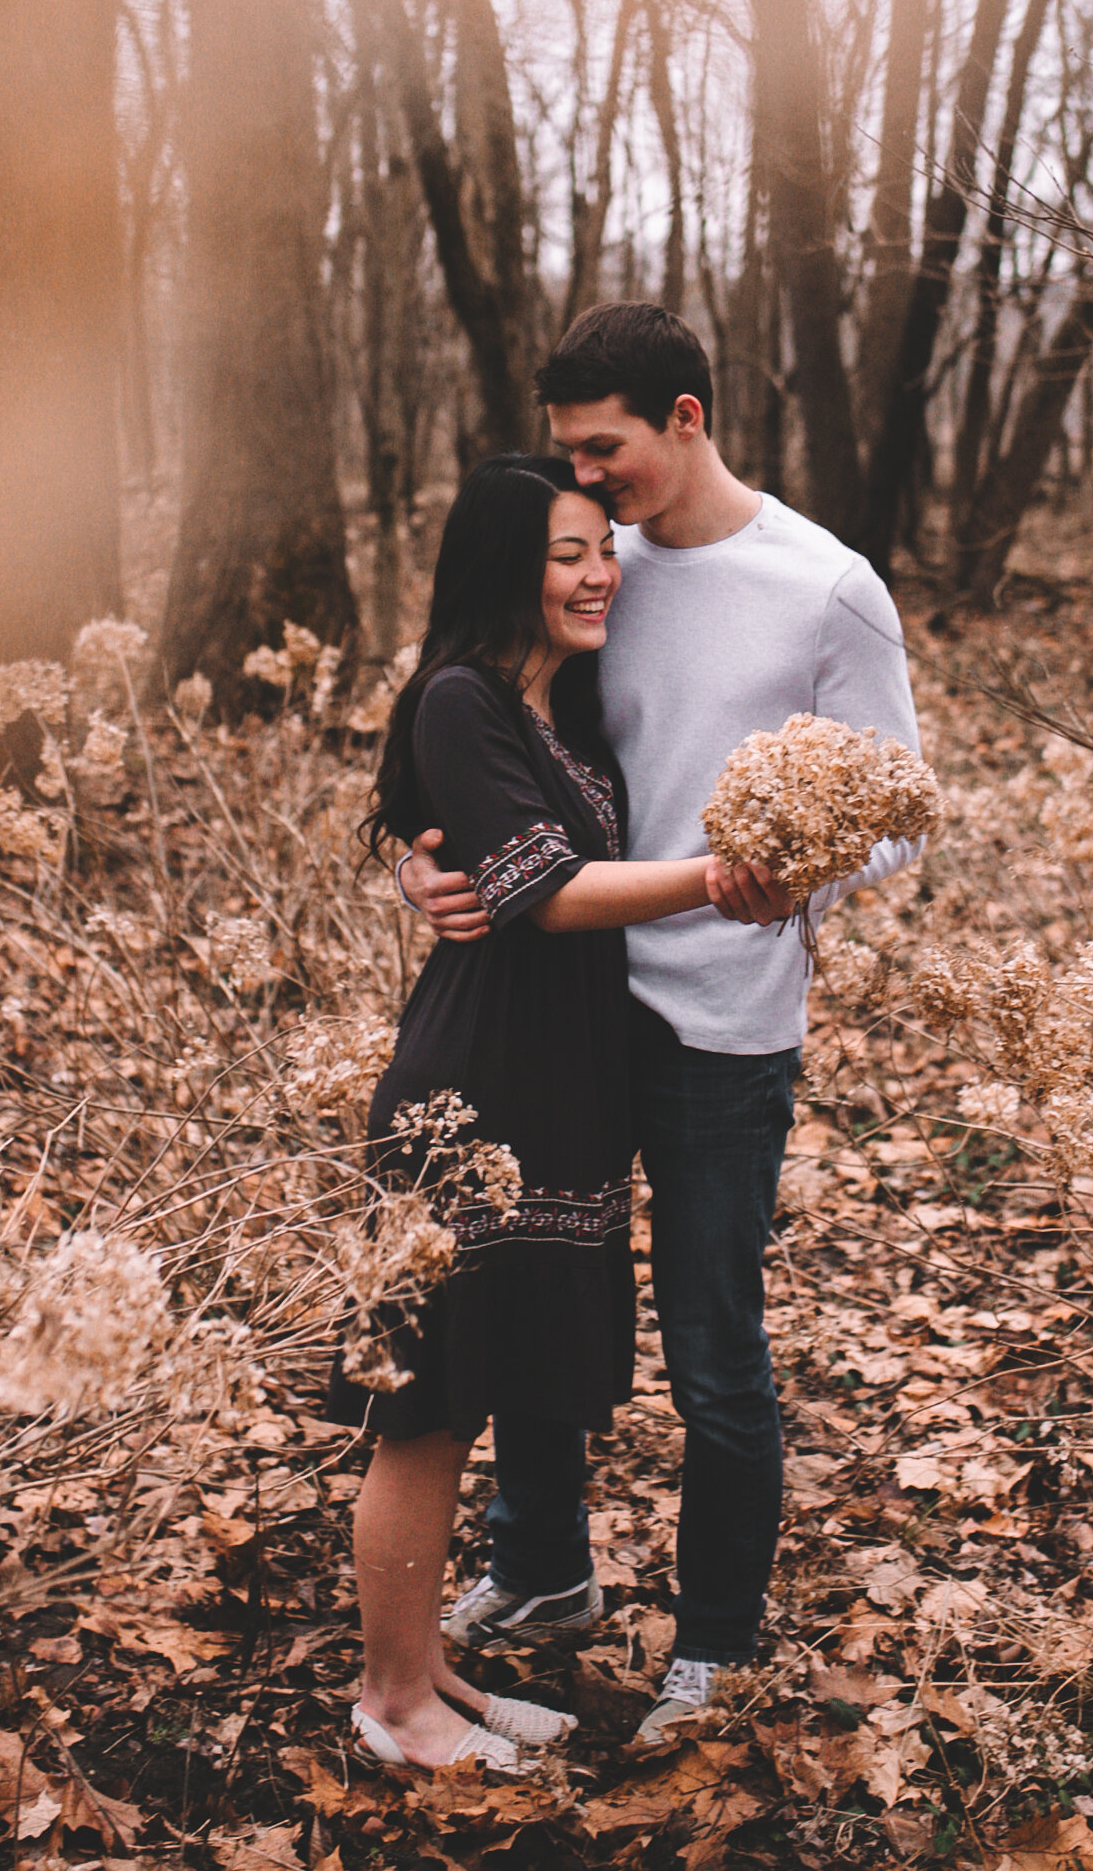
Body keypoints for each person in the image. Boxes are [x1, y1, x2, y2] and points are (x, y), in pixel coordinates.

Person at [402, 306, 924, 1744]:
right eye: (572, 455)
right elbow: (489, 743)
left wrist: (791, 874)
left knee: (713, 1351)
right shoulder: (591, 571)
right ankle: (542, 1570)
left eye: (604, 448)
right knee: (536, 1308)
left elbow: (897, 824)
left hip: (723, 1026)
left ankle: (714, 1641)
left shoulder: (825, 590)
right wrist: (426, 859)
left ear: (684, 419)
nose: (587, 478)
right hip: (561, 1010)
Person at [331, 453, 784, 1775]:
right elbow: (543, 886)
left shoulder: (564, 710)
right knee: (424, 1406)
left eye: (602, 551)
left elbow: (456, 839)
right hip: (471, 1091)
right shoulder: (463, 699)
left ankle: (430, 1677)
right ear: (500, 570)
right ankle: (390, 1703)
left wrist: (420, 857)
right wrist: (711, 879)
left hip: (555, 1088)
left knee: (473, 1390)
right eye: (564, 554)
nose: (597, 576)